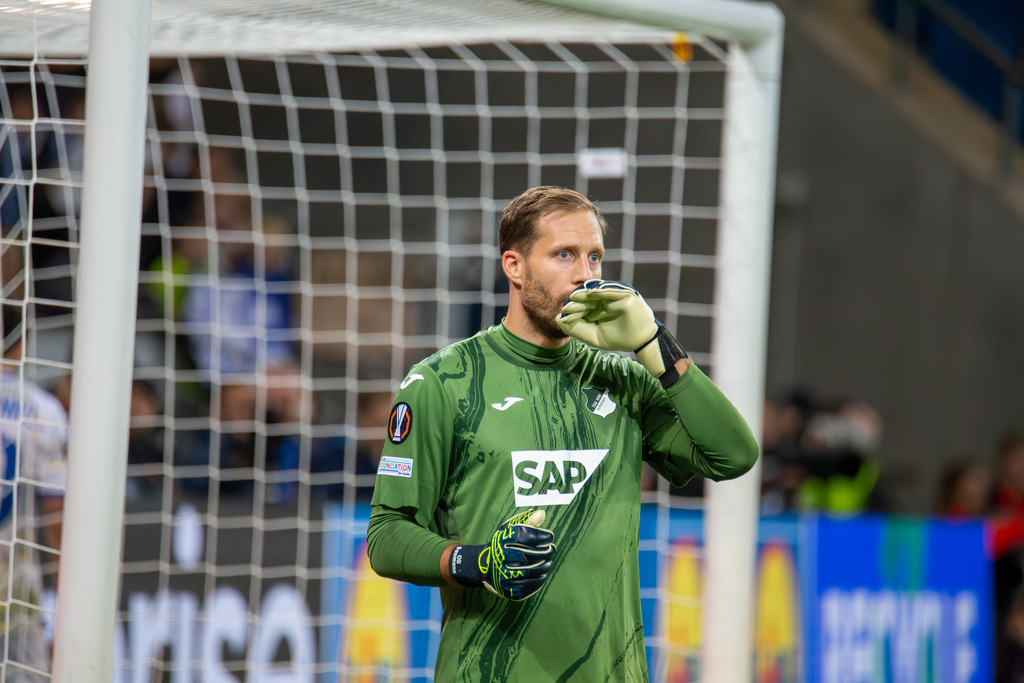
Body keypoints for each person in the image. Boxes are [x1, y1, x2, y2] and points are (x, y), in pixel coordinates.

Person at [366, 186, 758, 681]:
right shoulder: (444, 383)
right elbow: (386, 536)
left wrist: (654, 345)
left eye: (594, 256)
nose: (586, 275)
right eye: (564, 255)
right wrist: (478, 562)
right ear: (514, 266)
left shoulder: (624, 380)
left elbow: (734, 455)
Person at [0, 304, 67, 680]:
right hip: (15, 594)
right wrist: (67, 621)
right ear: (22, 345)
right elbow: (58, 522)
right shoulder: (43, 410)